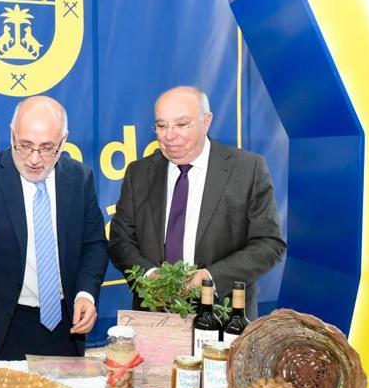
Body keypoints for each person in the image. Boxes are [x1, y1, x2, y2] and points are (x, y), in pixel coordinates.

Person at [0, 96, 109, 360]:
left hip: (64, 326)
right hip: (3, 326)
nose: (34, 159)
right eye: (24, 146)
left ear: (63, 142)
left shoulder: (80, 178)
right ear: (12, 135)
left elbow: (94, 246)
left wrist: (86, 294)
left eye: (47, 149)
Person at [109, 86, 286, 317]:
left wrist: (210, 278)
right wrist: (149, 275)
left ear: (207, 121)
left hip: (225, 314)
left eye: (181, 125)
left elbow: (269, 244)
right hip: (154, 314)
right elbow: (120, 240)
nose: (169, 136)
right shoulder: (139, 173)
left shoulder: (247, 170)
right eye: (161, 126)